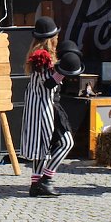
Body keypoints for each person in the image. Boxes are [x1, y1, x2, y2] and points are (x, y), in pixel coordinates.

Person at [20, 17, 76, 197]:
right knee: (66, 143)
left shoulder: (41, 55)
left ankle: (35, 184)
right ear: (51, 37)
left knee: (41, 147)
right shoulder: (41, 57)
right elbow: (48, 83)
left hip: (41, 105)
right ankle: (46, 179)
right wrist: (64, 71)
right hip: (45, 106)